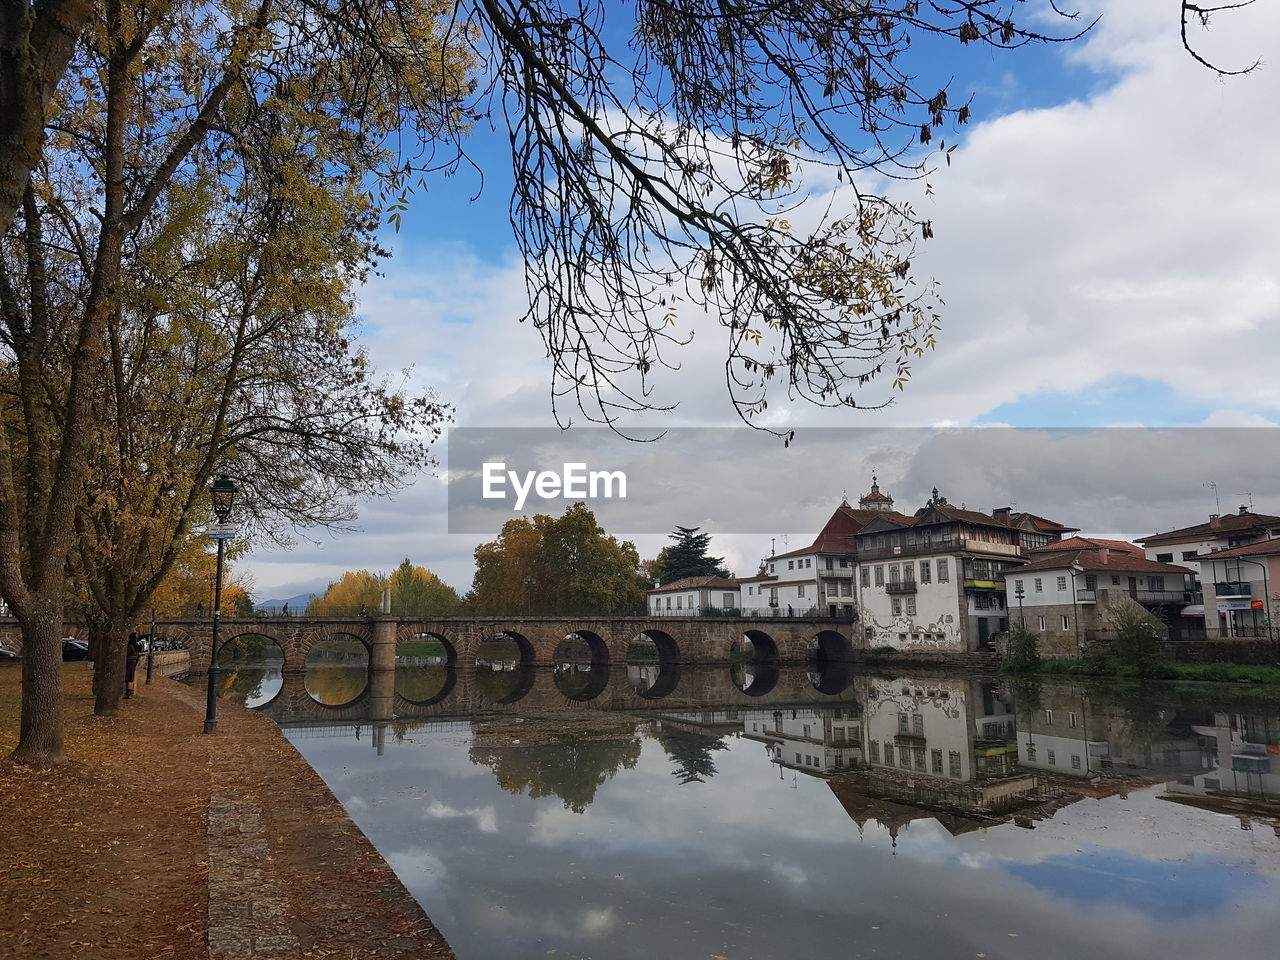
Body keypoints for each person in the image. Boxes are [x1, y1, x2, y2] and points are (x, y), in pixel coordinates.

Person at [124, 633, 143, 699]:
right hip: (134, 662)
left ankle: (128, 692)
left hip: (129, 662)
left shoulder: (130, 645)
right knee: (131, 676)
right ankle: (131, 691)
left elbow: (127, 653)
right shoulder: (137, 645)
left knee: (128, 677)